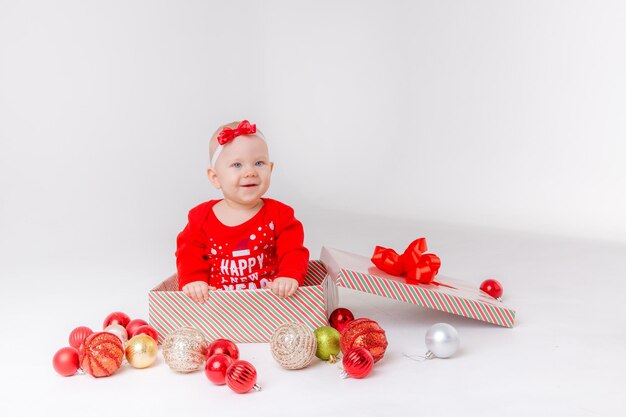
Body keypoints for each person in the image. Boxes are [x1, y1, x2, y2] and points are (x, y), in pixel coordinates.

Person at [175, 120, 309, 303]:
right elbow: (188, 254)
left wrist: (289, 276)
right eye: (237, 165)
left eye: (259, 163)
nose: (250, 172)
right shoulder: (201, 217)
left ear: (270, 169)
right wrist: (194, 281)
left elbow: (293, 251)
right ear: (215, 177)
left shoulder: (280, 215)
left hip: (271, 303)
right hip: (218, 305)